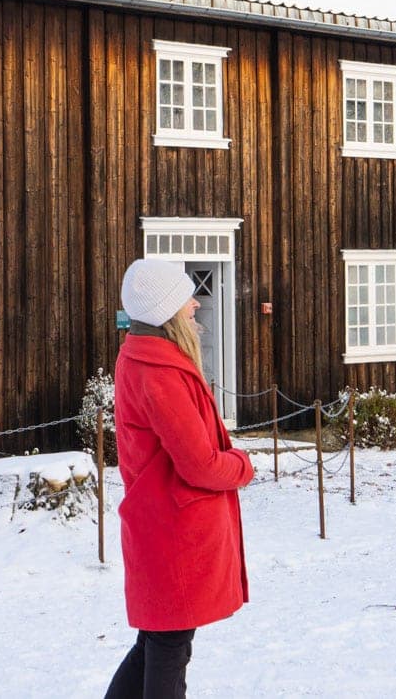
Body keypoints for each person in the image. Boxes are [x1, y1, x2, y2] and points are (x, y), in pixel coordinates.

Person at [104, 258, 255, 699]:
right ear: (166, 311)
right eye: (186, 299)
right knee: (170, 644)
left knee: (157, 638)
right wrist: (243, 465)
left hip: (161, 522)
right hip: (174, 530)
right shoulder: (159, 372)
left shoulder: (145, 358)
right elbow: (201, 465)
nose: (194, 305)